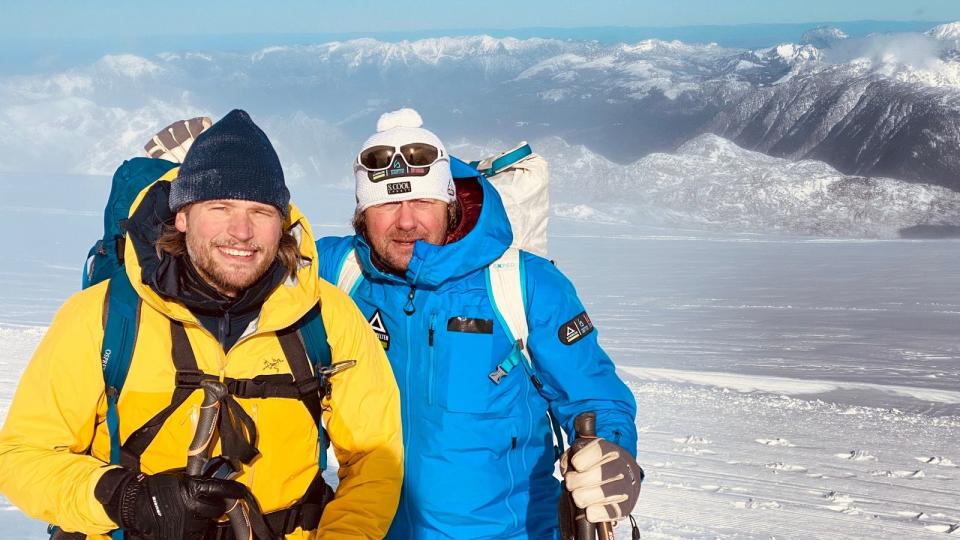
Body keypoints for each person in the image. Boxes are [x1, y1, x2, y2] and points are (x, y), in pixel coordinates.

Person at [0, 109, 403, 539]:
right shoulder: (104, 316)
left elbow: (375, 460)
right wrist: (127, 499)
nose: (241, 231)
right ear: (182, 216)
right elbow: (24, 456)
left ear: (282, 223)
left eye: (260, 211)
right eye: (219, 207)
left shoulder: (326, 316)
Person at [316, 108, 641, 539]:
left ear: (449, 203)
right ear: (361, 212)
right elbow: (253, 260)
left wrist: (613, 455)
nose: (406, 221)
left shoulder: (524, 285)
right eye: (388, 204)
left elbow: (595, 397)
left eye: (422, 201)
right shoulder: (338, 271)